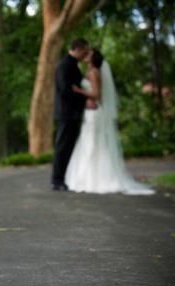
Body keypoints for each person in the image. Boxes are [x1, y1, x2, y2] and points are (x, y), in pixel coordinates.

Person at [65, 49, 155, 195]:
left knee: (93, 144)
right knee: (89, 144)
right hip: (89, 113)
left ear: (93, 58)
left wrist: (78, 91)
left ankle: (96, 180)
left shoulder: (94, 72)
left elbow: (96, 94)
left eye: (89, 54)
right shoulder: (91, 71)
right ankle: (86, 179)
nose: (85, 55)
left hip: (94, 113)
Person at [51, 38, 90, 191]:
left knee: (68, 146)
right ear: (77, 49)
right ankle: (57, 179)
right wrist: (85, 97)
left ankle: (63, 178)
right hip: (66, 113)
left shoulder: (73, 64)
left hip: (73, 113)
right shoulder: (64, 65)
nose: (85, 54)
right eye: (84, 51)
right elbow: (65, 90)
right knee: (62, 146)